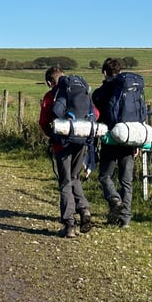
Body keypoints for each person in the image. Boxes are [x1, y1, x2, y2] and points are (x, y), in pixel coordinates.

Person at [38, 66, 93, 238]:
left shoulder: (51, 95)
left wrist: (52, 135)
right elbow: (95, 113)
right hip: (82, 139)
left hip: (62, 144)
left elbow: (44, 121)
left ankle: (69, 225)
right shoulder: (80, 90)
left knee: (65, 181)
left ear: (49, 82)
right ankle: (84, 211)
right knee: (75, 177)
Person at [91, 58, 137, 228]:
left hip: (109, 139)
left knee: (105, 176)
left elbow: (95, 117)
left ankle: (114, 199)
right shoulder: (129, 90)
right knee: (126, 181)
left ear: (104, 72)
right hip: (128, 139)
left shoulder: (99, 93)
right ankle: (124, 220)